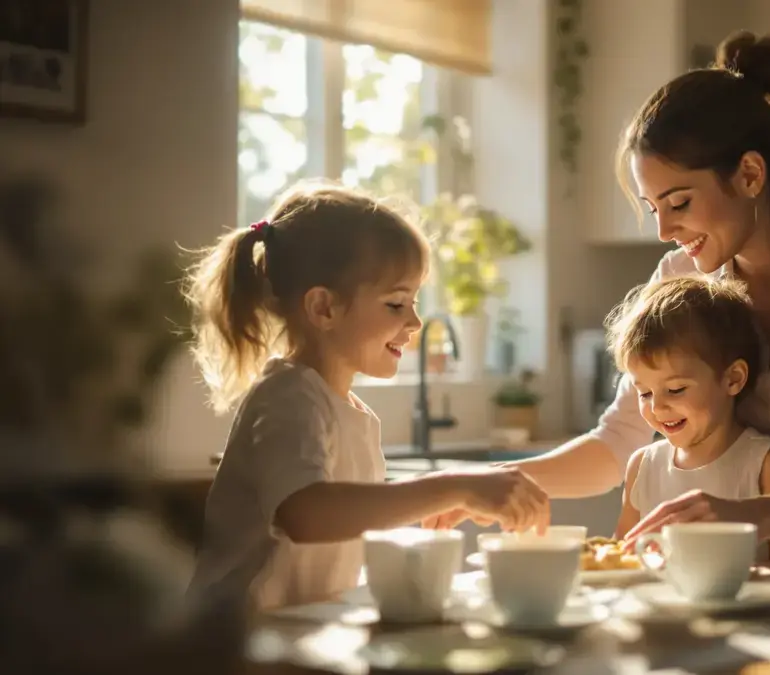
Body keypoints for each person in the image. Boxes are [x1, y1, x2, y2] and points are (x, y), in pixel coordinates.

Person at [431, 29, 770, 575]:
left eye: (678, 203)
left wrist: (742, 516)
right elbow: (620, 440)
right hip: (753, 597)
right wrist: (488, 483)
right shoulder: (680, 274)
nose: (663, 231)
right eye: (652, 208)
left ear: (750, 174)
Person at [185, 181, 550, 611]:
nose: (414, 323)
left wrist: (444, 501)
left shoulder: (349, 411)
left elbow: (346, 526)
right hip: (234, 639)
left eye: (414, 302)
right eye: (396, 304)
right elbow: (307, 514)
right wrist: (455, 487)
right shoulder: (289, 397)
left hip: (300, 628)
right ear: (323, 308)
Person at [607, 275, 770, 575]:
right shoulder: (642, 467)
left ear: (733, 379)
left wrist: (708, 574)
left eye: (675, 389)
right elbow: (622, 556)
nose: (657, 407)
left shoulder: (769, 464)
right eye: (645, 393)